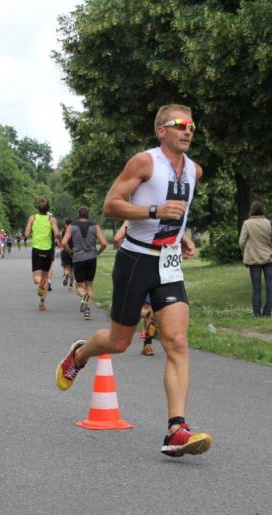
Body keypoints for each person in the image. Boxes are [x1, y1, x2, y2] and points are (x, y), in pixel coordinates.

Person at [55, 104, 211, 456]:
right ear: (162, 131)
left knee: (177, 341)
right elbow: (111, 205)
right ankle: (80, 353)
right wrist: (154, 211)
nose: (188, 130)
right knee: (119, 342)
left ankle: (176, 430)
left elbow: (179, 210)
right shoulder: (144, 162)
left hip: (168, 263)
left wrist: (182, 235)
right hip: (136, 260)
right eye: (180, 124)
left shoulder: (194, 171)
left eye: (192, 126)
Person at [114, 221, 158, 355]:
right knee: (149, 307)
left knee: (135, 308)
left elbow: (117, 238)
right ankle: (148, 345)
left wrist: (123, 251)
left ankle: (147, 315)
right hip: (159, 266)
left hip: (136, 265)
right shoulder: (164, 218)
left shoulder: (132, 219)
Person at [62, 207, 107, 320]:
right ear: (88, 215)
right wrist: (98, 252)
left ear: (78, 215)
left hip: (78, 258)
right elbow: (104, 243)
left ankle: (84, 296)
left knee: (79, 286)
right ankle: (87, 312)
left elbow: (63, 243)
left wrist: (70, 252)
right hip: (91, 258)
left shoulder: (72, 226)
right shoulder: (95, 226)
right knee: (89, 285)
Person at [238, 201, 272, 317]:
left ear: (251, 210)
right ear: (263, 210)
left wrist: (245, 251)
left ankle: (257, 313)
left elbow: (241, 242)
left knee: (256, 288)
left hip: (254, 258)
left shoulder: (247, 223)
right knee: (270, 285)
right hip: (270, 258)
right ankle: (268, 311)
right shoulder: (270, 223)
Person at [24, 197, 60, 311]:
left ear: (38, 207)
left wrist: (33, 233)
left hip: (37, 249)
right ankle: (42, 303)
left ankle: (42, 285)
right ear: (48, 208)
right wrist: (58, 239)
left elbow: (26, 233)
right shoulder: (51, 219)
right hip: (48, 250)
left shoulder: (33, 218)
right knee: (45, 277)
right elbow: (57, 233)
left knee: (36, 279)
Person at [60, 218, 74, 290]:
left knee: (66, 267)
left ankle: (66, 275)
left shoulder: (64, 231)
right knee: (72, 270)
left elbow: (62, 241)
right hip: (74, 252)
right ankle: (70, 286)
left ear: (65, 224)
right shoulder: (75, 231)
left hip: (65, 251)